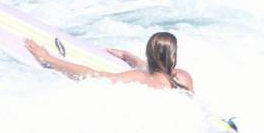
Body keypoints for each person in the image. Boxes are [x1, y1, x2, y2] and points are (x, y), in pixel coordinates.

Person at [24, 31, 194, 92]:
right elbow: (156, 70)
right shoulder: (184, 77)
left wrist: (48, 59)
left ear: (148, 52)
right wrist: (128, 56)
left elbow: (96, 77)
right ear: (173, 54)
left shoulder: (141, 77)